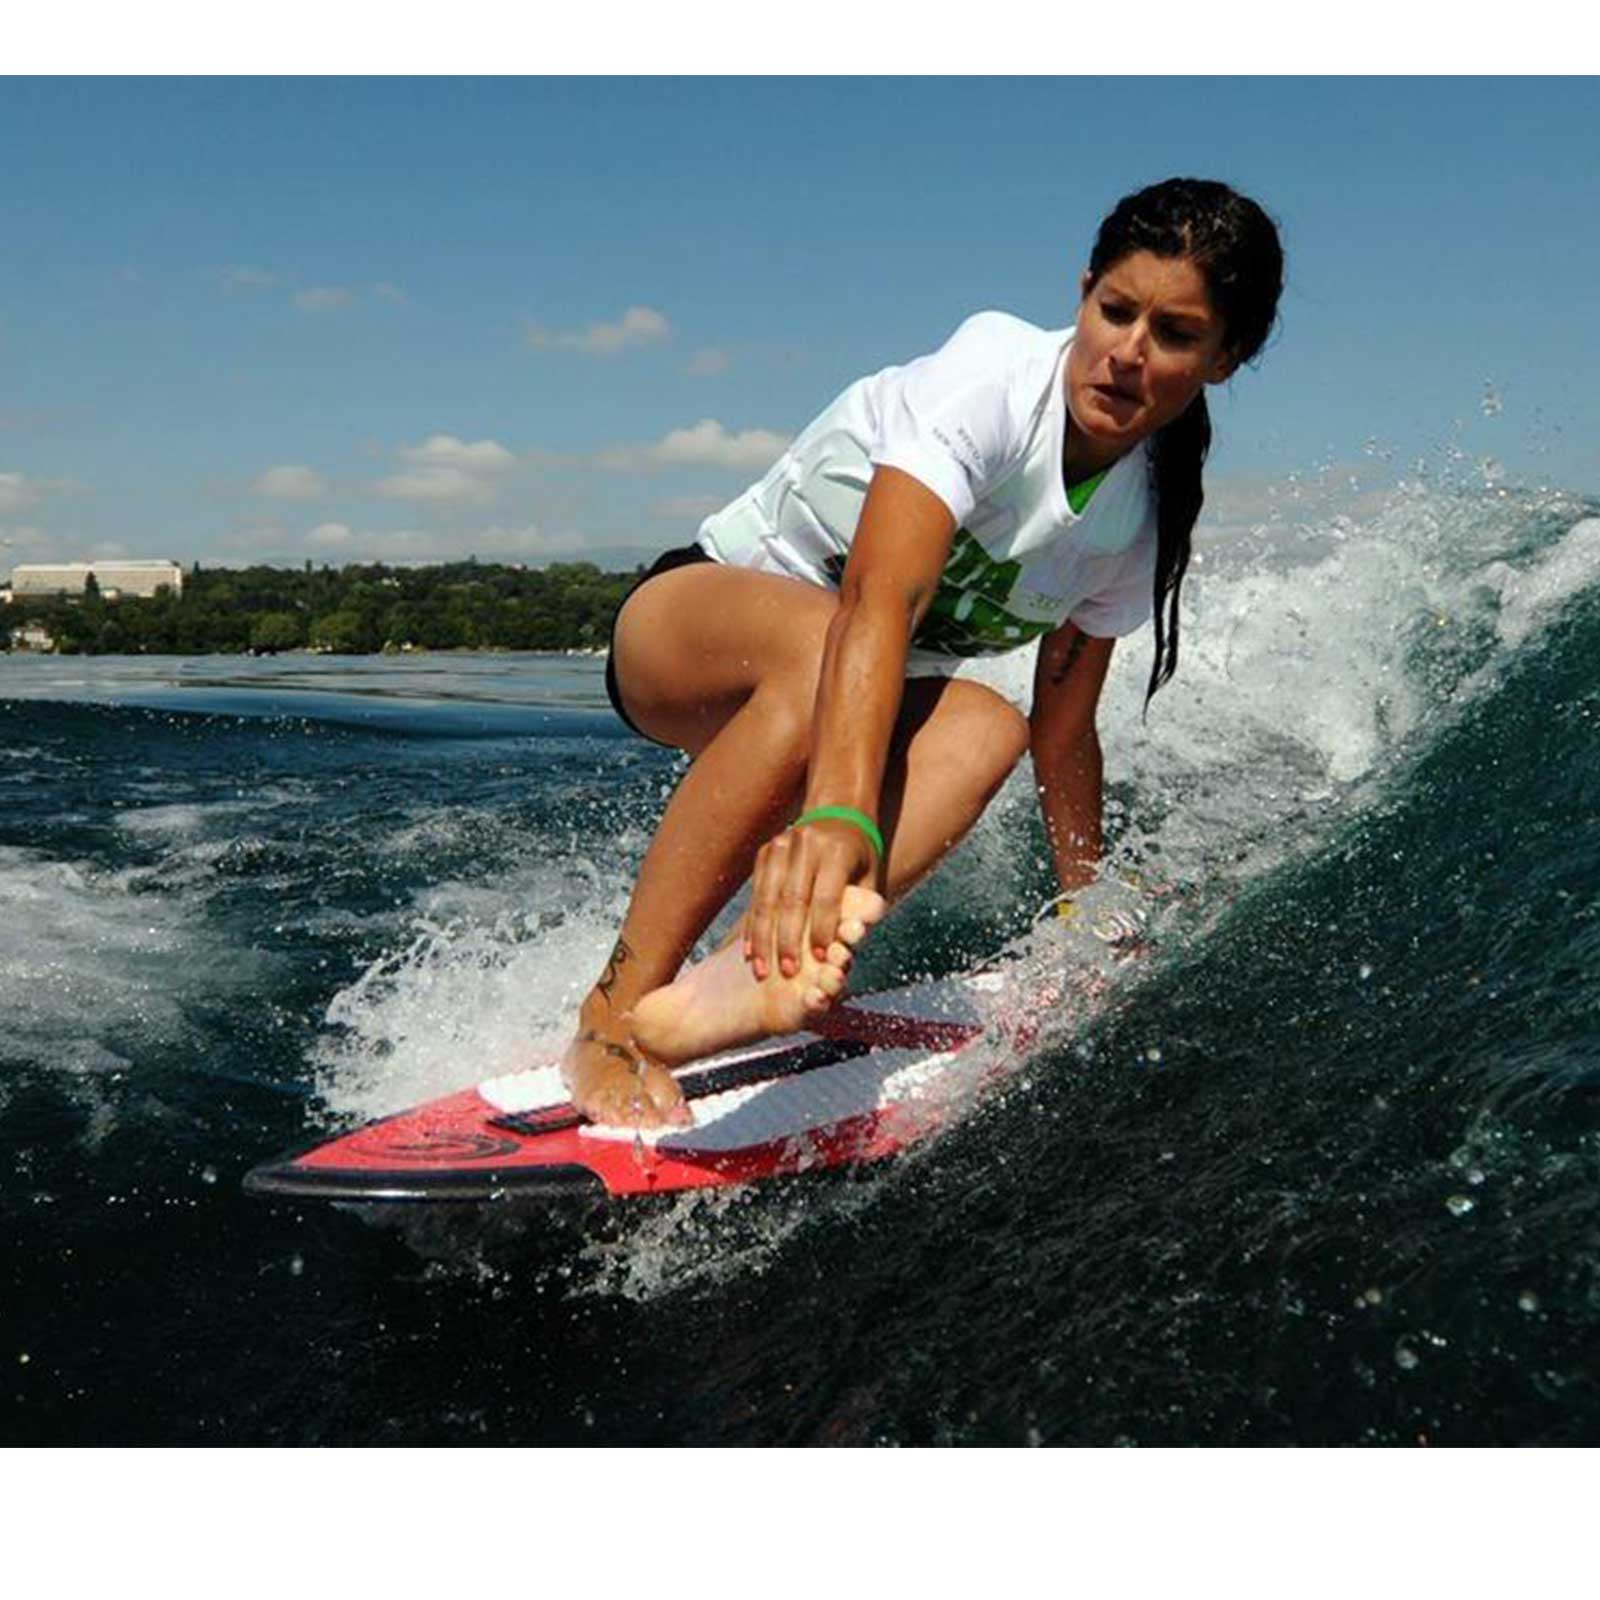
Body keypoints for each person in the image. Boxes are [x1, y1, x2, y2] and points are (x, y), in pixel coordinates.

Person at [563, 177, 1285, 1128]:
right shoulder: (991, 381)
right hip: (683, 635)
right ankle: (610, 1020)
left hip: (833, 699)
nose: (1128, 353)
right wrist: (840, 818)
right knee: (825, 648)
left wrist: (1087, 908)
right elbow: (879, 603)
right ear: (1083, 295)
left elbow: (1064, 729)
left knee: (991, 729)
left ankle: (746, 977)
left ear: (1225, 358)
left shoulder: (1135, 522)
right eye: (1115, 312)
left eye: (1176, 335)